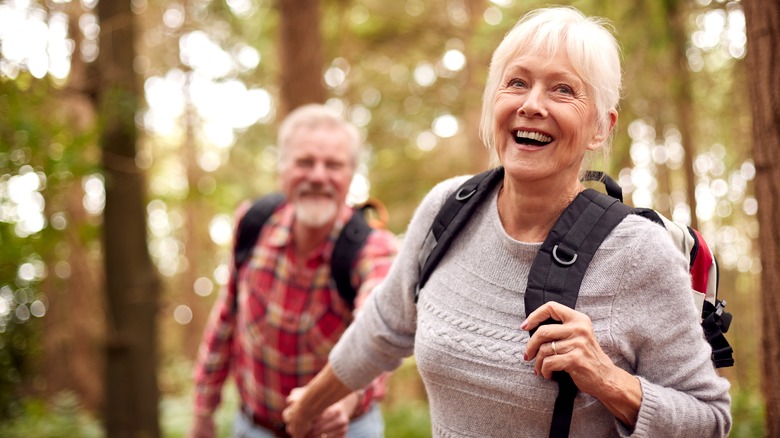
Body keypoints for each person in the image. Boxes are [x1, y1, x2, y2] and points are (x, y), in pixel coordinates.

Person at [282, 7, 732, 437]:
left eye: (562, 90)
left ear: (601, 127)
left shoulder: (639, 252)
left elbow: (709, 419)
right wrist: (307, 407)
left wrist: (608, 380)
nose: (532, 104)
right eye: (516, 82)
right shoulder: (448, 209)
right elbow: (383, 327)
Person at [189, 104, 397, 438]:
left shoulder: (373, 248)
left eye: (333, 165)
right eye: (304, 162)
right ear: (283, 168)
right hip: (253, 427)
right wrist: (203, 411)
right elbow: (226, 317)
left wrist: (341, 400)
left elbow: (378, 331)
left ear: (350, 174)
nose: (317, 176)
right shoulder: (253, 224)